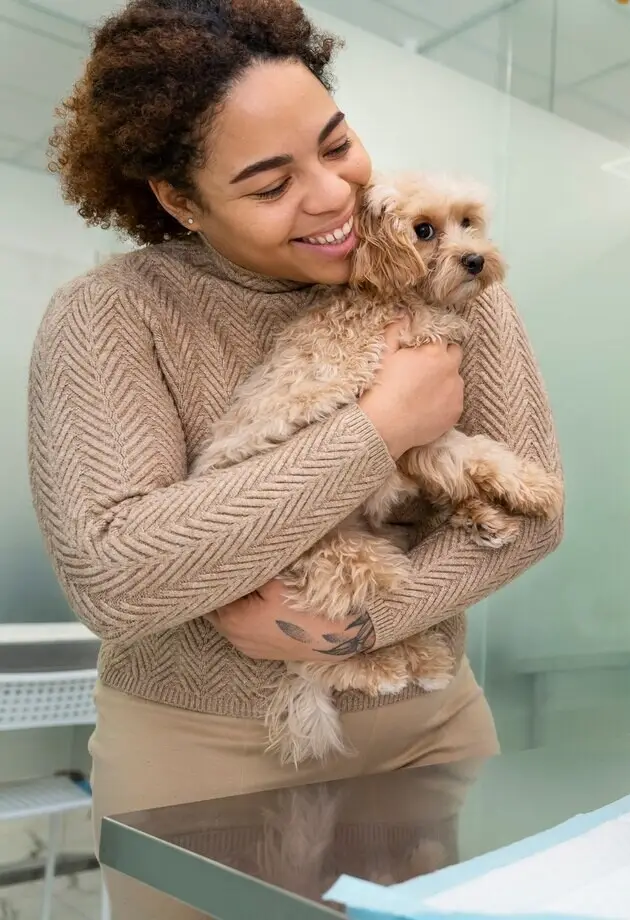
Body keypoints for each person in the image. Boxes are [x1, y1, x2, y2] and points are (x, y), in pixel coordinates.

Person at [26, 1, 561, 917]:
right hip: (197, 755)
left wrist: (359, 625)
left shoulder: (447, 268)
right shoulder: (111, 316)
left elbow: (532, 518)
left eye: (337, 143)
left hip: (430, 725)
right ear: (179, 199)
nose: (332, 196)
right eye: (271, 185)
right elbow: (114, 574)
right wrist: (380, 428)